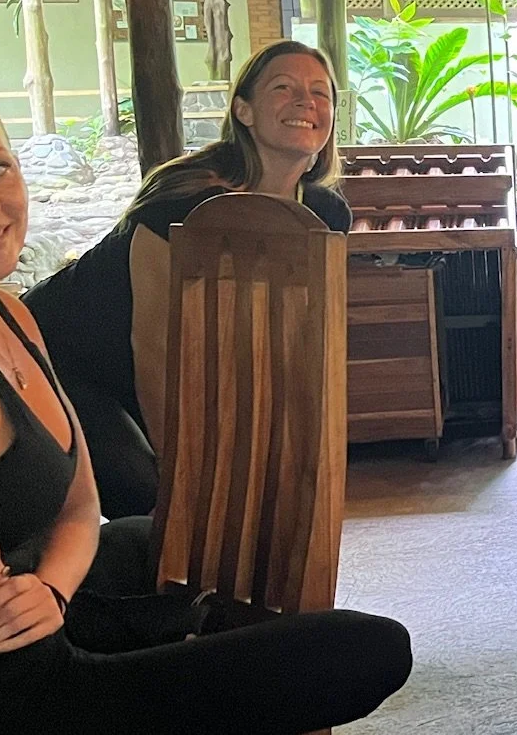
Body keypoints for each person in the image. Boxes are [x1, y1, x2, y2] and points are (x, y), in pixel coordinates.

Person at [0, 76, 409, 735]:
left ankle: (170, 651)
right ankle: (152, 711)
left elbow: (80, 505)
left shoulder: (7, 313)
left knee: (169, 543)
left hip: (30, 625)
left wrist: (56, 589)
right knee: (368, 649)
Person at [25, 41, 348, 519]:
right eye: (284, 88)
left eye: (320, 93)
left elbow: (300, 336)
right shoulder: (187, 193)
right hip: (56, 358)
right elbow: (153, 344)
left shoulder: (324, 215)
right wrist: (179, 462)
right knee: (155, 497)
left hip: (152, 373)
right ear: (244, 110)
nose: (306, 102)